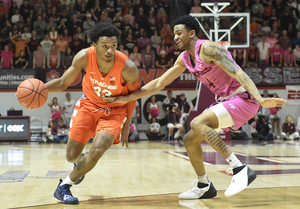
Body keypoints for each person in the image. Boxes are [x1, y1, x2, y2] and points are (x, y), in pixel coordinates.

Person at [104, 15, 287, 199]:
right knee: (190, 140)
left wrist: (260, 99)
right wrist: (125, 98)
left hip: (243, 98)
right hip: (226, 101)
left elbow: (239, 73)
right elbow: (158, 83)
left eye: (178, 33)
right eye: (174, 34)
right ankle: (204, 185)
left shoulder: (209, 48)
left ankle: (239, 168)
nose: (175, 37)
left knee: (197, 122)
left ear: (192, 33)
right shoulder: (184, 58)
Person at [42, 22, 140, 204]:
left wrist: (127, 123)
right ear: (94, 45)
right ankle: (79, 165)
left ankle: (64, 187)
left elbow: (133, 96)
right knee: (71, 156)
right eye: (105, 46)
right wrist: (40, 89)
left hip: (114, 111)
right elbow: (63, 82)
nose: (110, 50)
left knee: (98, 149)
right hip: (88, 105)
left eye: (114, 46)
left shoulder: (128, 67)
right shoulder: (84, 57)